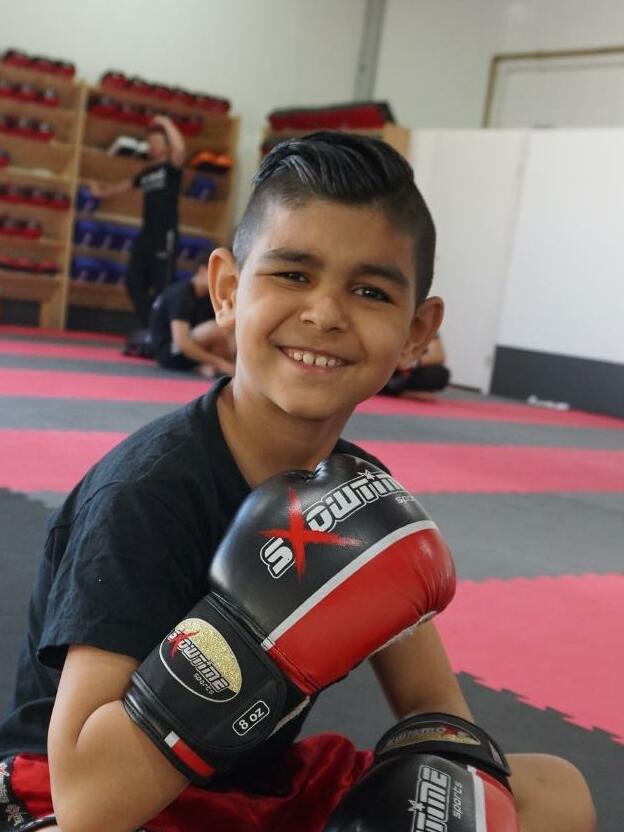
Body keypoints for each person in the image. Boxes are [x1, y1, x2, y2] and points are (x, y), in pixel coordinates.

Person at [0, 133, 595, 832]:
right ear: (227, 291)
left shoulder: (358, 497)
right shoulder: (147, 495)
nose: (325, 313)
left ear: (416, 332)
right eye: (291, 274)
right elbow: (88, 801)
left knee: (552, 793)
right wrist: (258, 631)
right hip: (80, 793)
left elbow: (436, 712)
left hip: (252, 792)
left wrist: (448, 791)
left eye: (370, 291)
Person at [90, 115, 185, 327]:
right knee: (133, 281)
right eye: (150, 143)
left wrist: (167, 123)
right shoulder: (147, 173)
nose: (152, 146)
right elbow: (125, 186)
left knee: (162, 286)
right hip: (147, 234)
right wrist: (101, 193)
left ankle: (159, 330)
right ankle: (151, 324)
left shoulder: (172, 168)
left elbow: (179, 149)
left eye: (157, 142)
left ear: (166, 146)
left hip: (165, 235)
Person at [149, 250, 236, 378]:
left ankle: (214, 367)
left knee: (227, 328)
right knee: (216, 328)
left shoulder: (206, 296)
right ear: (202, 271)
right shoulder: (180, 295)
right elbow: (182, 342)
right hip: (170, 352)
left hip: (189, 348)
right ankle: (220, 367)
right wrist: (220, 362)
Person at [381, 331, 450, 400]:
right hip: (387, 368)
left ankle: (398, 391)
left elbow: (438, 356)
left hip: (408, 371)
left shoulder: (426, 327)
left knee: (440, 374)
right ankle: (396, 391)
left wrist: (411, 360)